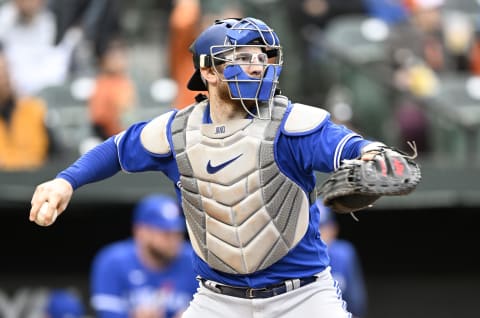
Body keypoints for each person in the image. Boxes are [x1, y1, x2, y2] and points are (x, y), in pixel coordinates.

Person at [29, 17, 404, 317]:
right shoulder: (177, 132)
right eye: (242, 58)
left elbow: (353, 147)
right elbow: (115, 150)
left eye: (263, 58)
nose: (257, 67)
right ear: (208, 72)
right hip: (218, 300)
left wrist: (376, 155)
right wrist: (66, 182)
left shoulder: (293, 124)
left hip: (302, 297)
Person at [90, 194, 197, 318]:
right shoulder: (113, 261)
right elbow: (107, 314)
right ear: (140, 232)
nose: (174, 240)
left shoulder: (194, 261)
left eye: (177, 233)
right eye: (166, 234)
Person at [0, 45, 50, 171]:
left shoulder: (33, 109)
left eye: (6, 72)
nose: (5, 79)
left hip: (34, 178)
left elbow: (55, 153)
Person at [317, 200, 368, 318]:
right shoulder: (296, 259)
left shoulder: (343, 254)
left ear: (333, 229)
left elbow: (357, 304)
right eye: (313, 229)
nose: (318, 234)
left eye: (322, 227)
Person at [88, 38, 136, 140]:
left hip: (127, 137)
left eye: (121, 56)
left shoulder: (125, 82)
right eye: (113, 57)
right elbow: (99, 119)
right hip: (110, 139)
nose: (118, 60)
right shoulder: (102, 83)